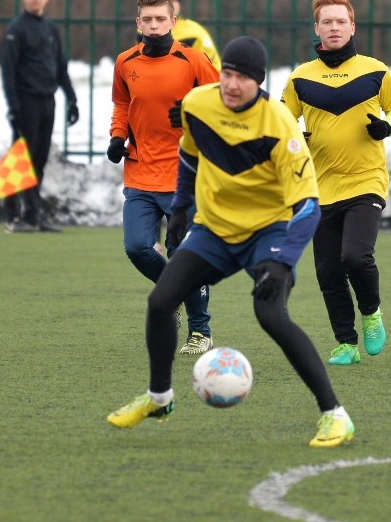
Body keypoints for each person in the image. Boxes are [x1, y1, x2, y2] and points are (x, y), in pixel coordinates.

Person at [107, 36, 355, 448]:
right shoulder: (199, 104)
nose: (232, 83)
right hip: (216, 229)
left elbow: (309, 207)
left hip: (268, 233)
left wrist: (282, 261)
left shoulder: (279, 124)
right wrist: (183, 209)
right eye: (227, 73)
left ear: (258, 83)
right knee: (160, 302)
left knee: (270, 314)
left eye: (242, 77)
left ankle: (334, 414)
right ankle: (159, 398)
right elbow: (188, 154)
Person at [280, 0, 391, 365]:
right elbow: (282, 120)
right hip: (319, 186)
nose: (334, 27)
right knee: (327, 269)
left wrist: (386, 126)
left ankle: (371, 313)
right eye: (327, 22)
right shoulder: (300, 77)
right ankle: (345, 343)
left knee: (355, 256)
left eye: (340, 21)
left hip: (366, 179)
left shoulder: (375, 70)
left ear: (352, 26)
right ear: (316, 28)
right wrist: (294, 138)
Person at [107, 0, 220, 354]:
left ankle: (200, 331)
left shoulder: (194, 60)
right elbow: (122, 104)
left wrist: (192, 115)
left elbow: (225, 101)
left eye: (161, 19)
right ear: (137, 23)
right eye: (147, 20)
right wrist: (117, 136)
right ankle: (168, 296)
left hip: (183, 174)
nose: (154, 26)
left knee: (181, 252)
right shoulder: (125, 62)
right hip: (139, 172)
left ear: (173, 21)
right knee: (137, 247)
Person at [0, 0, 79, 233]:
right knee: (22, 158)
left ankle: (32, 214)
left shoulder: (50, 29)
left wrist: (71, 98)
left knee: (40, 159)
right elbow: (8, 71)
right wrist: (13, 107)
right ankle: (15, 215)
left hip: (48, 101)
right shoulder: (16, 29)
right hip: (26, 102)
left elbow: (60, 65)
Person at [155, 0, 221, 69]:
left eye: (172, 0)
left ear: (179, 4)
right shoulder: (143, 31)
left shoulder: (195, 33)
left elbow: (213, 68)